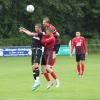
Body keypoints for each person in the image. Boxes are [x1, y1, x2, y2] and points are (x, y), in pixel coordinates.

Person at [19, 24, 43, 91]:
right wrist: (24, 29)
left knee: (35, 65)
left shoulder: (41, 34)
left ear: (40, 28)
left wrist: (24, 30)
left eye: (36, 27)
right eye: (35, 27)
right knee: (33, 67)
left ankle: (38, 81)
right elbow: (31, 33)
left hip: (38, 50)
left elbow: (30, 34)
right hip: (34, 51)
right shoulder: (36, 33)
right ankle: (36, 82)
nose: (35, 28)